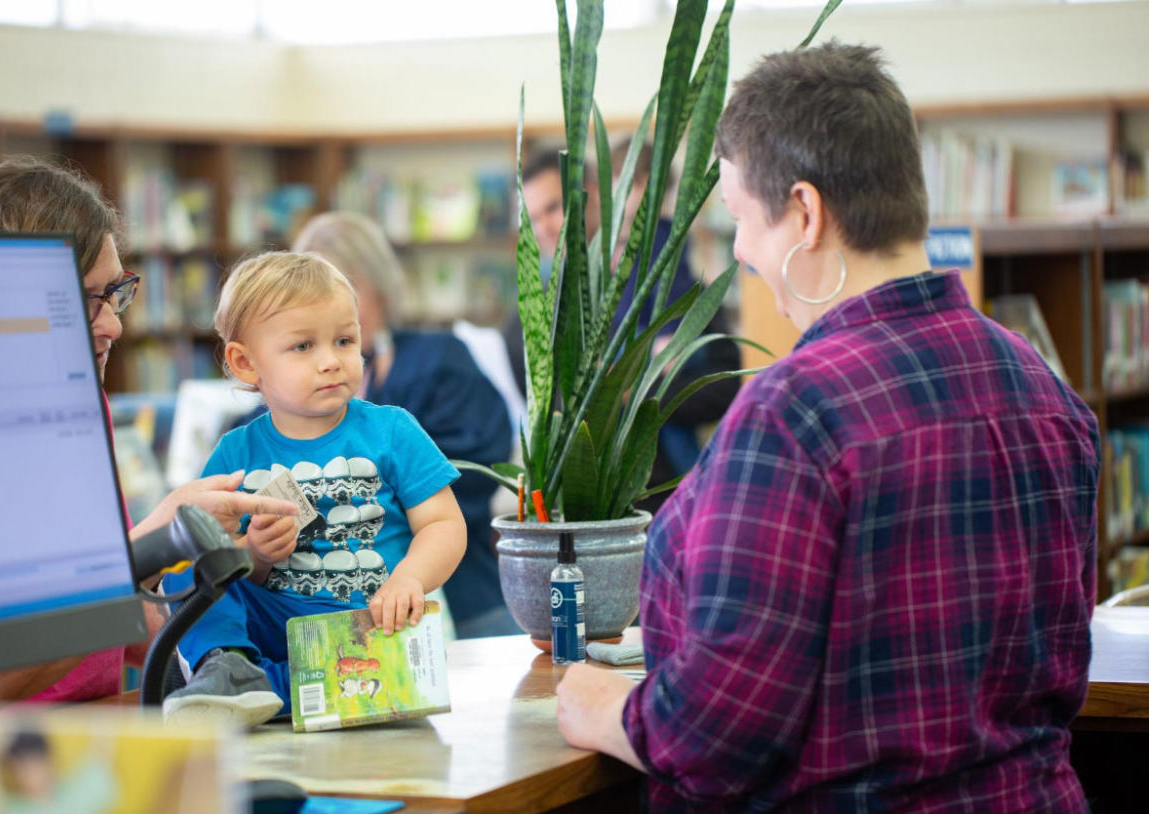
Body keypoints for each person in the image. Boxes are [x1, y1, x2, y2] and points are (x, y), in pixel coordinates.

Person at [556, 42, 1100, 812]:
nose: (740, 251)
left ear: (806, 213)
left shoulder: (792, 413)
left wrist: (602, 706)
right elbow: (1061, 669)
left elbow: (716, 734)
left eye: (741, 218)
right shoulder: (1046, 390)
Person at [0, 157, 299, 708]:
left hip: (98, 727)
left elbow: (123, 625)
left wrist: (241, 645)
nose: (113, 323)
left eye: (116, 293)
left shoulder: (84, 408)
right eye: (85, 301)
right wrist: (159, 540)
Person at [161, 251, 467, 726]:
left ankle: (260, 690)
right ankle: (231, 668)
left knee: (381, 666)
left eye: (344, 340)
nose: (330, 362)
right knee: (186, 564)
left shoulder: (392, 430)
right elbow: (225, 567)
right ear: (245, 363)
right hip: (272, 623)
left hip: (370, 623)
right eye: (303, 346)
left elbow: (444, 524)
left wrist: (410, 579)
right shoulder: (234, 453)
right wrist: (255, 555)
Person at [290, 212, 521, 638]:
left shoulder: (440, 359)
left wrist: (354, 504)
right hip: (332, 618)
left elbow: (468, 472)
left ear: (378, 284)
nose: (326, 305)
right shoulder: (295, 391)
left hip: (456, 599)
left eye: (344, 286)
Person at [508, 143, 741, 513]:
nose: (544, 229)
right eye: (531, 219)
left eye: (553, 208)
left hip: (674, 497)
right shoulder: (533, 315)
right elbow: (544, 414)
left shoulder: (668, 280)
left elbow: (724, 387)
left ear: (594, 194)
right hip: (582, 508)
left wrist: (635, 390)